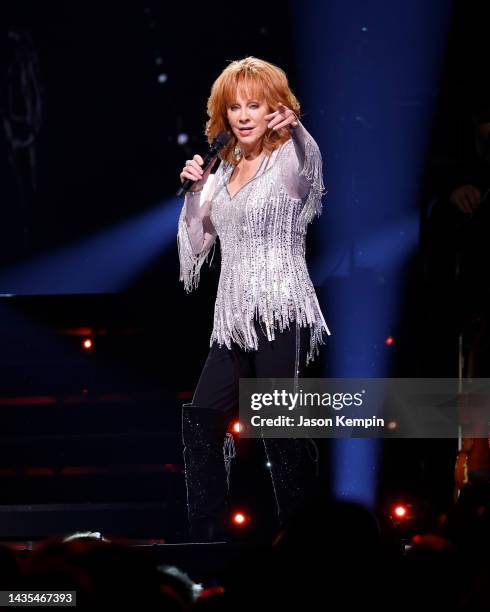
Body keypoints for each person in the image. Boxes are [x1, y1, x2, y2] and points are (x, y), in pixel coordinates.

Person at [176, 56, 330, 542]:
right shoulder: (220, 174)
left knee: (279, 425)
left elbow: (312, 173)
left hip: (281, 306)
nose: (243, 115)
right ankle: (206, 533)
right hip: (233, 315)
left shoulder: (288, 157)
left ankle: (302, 536)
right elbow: (197, 246)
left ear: (273, 111)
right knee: (203, 419)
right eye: (234, 107)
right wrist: (194, 191)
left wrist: (300, 131)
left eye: (254, 105)